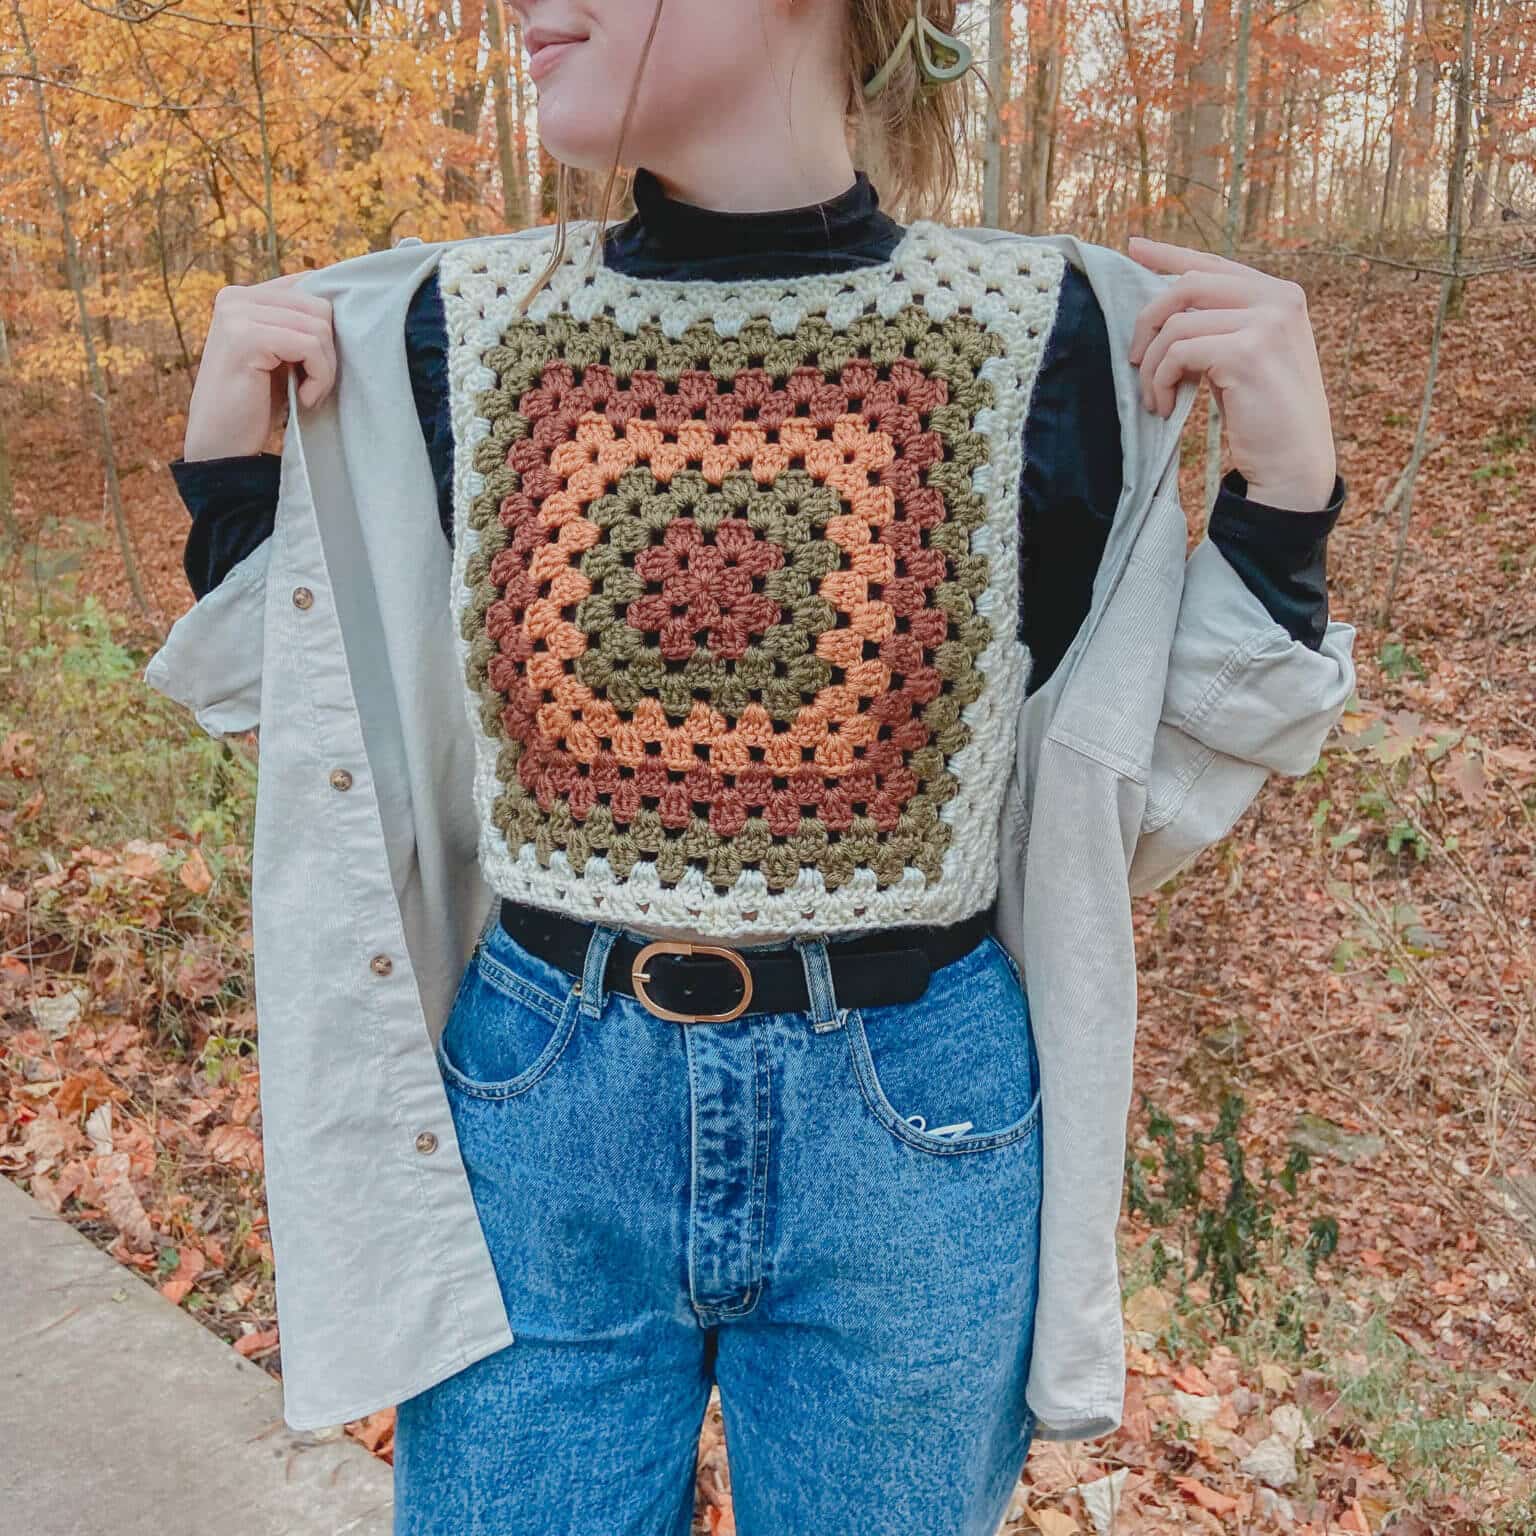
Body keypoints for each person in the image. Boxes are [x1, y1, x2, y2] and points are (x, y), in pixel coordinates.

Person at [153, 3, 1351, 1532]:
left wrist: (1283, 508)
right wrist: (231, 488)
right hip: (541, 1108)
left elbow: (1145, 790)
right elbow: (328, 749)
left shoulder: (1046, 335)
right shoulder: (449, 334)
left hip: (914, 1127)